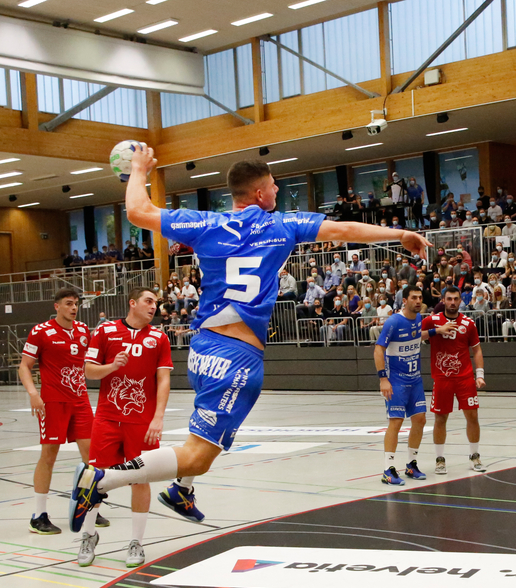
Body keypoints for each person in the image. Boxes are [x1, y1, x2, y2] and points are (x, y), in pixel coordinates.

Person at [69, 146, 431, 531]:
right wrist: (401, 234)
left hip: (204, 348)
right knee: (196, 455)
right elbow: (343, 229)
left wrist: (139, 169)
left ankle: (180, 491)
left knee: (207, 445)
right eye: (273, 185)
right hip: (235, 357)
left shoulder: (206, 224)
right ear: (260, 193)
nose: (276, 190)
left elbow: (138, 212)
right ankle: (101, 478)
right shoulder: (282, 226)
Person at [78, 287, 172, 569]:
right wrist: (111, 366)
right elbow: (88, 371)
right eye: (148, 301)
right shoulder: (106, 332)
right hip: (107, 418)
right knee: (92, 476)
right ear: (133, 303)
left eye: (155, 303)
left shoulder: (159, 337)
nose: (153, 306)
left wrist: (158, 418)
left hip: (142, 422)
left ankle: (136, 542)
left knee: (140, 479)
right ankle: (87, 535)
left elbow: (163, 380)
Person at [19, 289, 104, 535]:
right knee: (49, 455)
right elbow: (24, 366)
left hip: (80, 401)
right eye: (68, 303)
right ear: (57, 306)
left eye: (76, 303)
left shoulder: (82, 331)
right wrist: (34, 395)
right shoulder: (41, 331)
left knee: (92, 455)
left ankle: (88, 506)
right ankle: (39, 515)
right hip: (53, 402)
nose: (73, 307)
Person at [422, 287, 487, 474]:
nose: (452, 302)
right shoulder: (432, 320)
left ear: (460, 301)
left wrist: (480, 375)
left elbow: (477, 350)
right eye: (449, 299)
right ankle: (440, 459)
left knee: (472, 416)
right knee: (440, 418)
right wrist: (437, 331)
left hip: (465, 378)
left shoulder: (468, 323)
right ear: (443, 300)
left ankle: (475, 456)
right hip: (442, 378)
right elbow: (415, 336)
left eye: (455, 299)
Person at [374, 286, 435, 486]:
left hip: (415, 379)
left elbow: (417, 336)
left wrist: (436, 331)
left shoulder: (417, 319)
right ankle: (387, 469)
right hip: (397, 380)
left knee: (420, 419)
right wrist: (383, 378)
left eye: (420, 297)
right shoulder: (393, 321)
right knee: (396, 421)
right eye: (414, 298)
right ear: (405, 300)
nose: (418, 301)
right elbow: (378, 349)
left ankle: (411, 464)